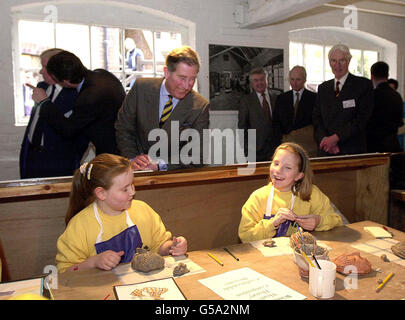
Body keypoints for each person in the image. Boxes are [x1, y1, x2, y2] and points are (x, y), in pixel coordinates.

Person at [55, 153, 187, 273]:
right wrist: (94, 262)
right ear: (101, 193)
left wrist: (173, 247)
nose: (132, 192)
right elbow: (65, 272)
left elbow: (159, 246)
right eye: (125, 189)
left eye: (132, 185)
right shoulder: (80, 225)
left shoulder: (143, 210)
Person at [115, 45, 210, 171]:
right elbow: (123, 128)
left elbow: (197, 155)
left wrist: (160, 164)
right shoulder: (141, 88)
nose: (187, 86)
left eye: (192, 79)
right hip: (133, 173)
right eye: (182, 78)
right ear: (166, 72)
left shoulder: (200, 107)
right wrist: (133, 159)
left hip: (172, 179)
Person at [238, 142, 343, 242]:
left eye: (287, 168)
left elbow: (337, 221)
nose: (278, 170)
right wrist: (273, 223)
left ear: (299, 176)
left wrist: (318, 221)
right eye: (276, 163)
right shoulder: (258, 197)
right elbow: (245, 236)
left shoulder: (312, 194)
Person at [29, 50, 126, 155]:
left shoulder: (89, 98)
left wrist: (44, 102)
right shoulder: (101, 74)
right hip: (122, 141)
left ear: (65, 82)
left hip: (114, 151)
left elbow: (68, 130)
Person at [20, 48, 89, 179]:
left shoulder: (77, 95)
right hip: (32, 157)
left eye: (45, 67)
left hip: (58, 163)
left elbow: (75, 134)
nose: (41, 71)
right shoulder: (42, 87)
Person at [313, 44, 374, 156]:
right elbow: (317, 119)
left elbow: (362, 118)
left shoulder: (363, 85)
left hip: (351, 150)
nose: (338, 65)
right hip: (326, 150)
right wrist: (325, 140)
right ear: (329, 63)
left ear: (349, 61)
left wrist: (336, 138)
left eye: (342, 60)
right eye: (333, 61)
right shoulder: (323, 88)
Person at [273, 66, 317, 157]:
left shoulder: (314, 98)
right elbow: (276, 123)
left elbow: (316, 122)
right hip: (285, 146)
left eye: (298, 80)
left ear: (305, 80)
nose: (294, 83)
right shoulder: (281, 98)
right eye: (292, 79)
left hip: (307, 147)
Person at [238, 67, 278, 161]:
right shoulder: (246, 101)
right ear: (251, 83)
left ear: (267, 80)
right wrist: (247, 151)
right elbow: (242, 127)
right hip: (255, 151)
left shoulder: (276, 98)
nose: (259, 83)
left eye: (262, 79)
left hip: (276, 150)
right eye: (256, 80)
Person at [367, 61, 404, 153]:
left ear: (371, 76)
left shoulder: (371, 96)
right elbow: (399, 122)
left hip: (374, 146)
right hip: (393, 145)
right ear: (387, 75)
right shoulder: (397, 96)